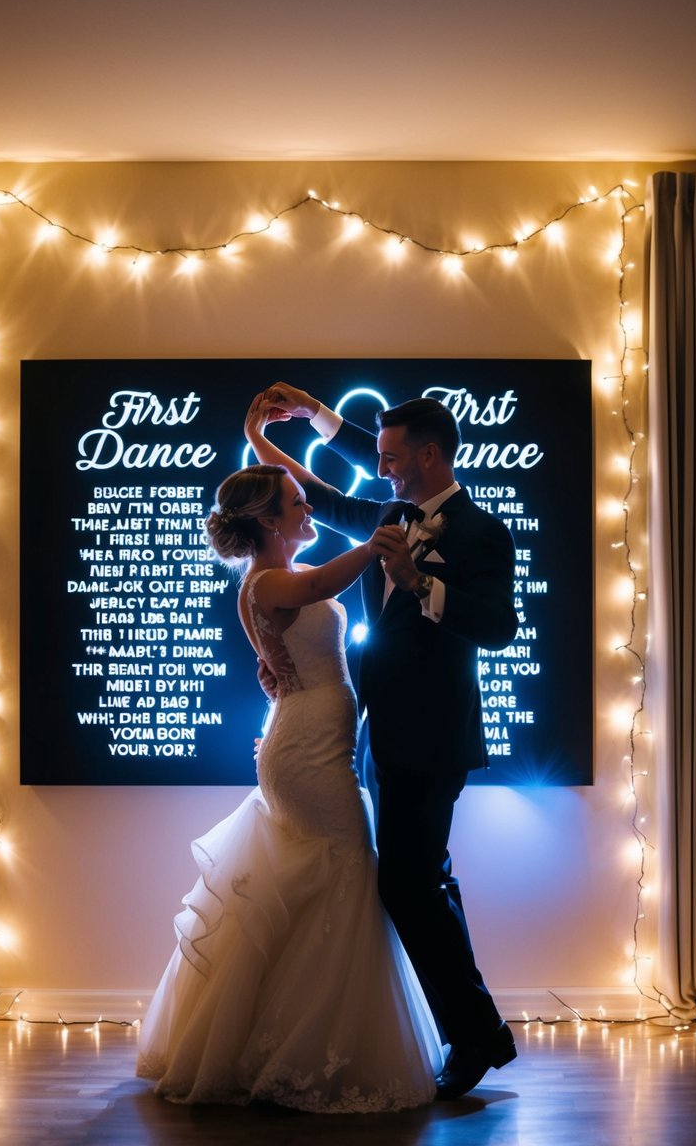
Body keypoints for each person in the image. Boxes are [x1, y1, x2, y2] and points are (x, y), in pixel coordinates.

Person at [137, 461, 444, 1113]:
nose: (309, 512)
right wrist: (383, 533)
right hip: (305, 750)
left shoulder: (268, 580)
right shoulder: (275, 579)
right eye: (299, 504)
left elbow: (300, 623)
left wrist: (258, 440)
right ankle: (314, 1049)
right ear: (269, 521)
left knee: (321, 883)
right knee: (345, 869)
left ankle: (283, 1040)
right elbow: (330, 580)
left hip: (312, 739)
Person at [246, 383, 519, 1099]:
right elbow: (314, 493)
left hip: (434, 737)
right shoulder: (388, 513)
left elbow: (497, 628)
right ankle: (480, 1030)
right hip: (377, 738)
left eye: (392, 457)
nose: (382, 468)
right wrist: (294, 420)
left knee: (405, 883)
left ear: (428, 456)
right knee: (425, 877)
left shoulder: (482, 531)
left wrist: (417, 584)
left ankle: (473, 1034)